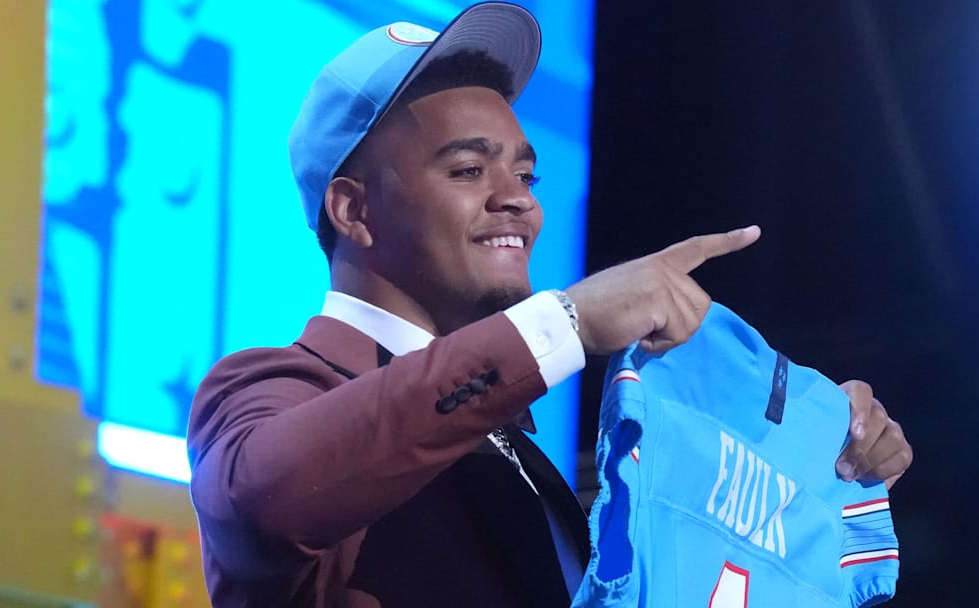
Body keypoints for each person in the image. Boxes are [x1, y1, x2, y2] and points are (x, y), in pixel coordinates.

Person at [187, 3, 913, 607]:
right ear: (353, 210)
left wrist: (809, 454)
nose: (519, 201)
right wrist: (565, 322)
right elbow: (264, 500)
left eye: (526, 172)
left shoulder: (527, 462)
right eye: (469, 169)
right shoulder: (270, 389)